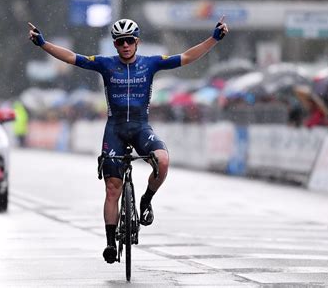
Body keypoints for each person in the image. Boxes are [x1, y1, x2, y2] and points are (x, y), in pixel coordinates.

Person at [28, 17, 229, 264]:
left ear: (137, 42)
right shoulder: (105, 64)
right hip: (115, 130)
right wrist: (43, 44)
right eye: (120, 41)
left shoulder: (151, 64)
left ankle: (145, 200)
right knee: (113, 188)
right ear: (115, 44)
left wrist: (214, 39)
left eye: (129, 41)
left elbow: (186, 57)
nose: (125, 45)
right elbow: (72, 57)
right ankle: (110, 243)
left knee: (163, 161)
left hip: (141, 128)